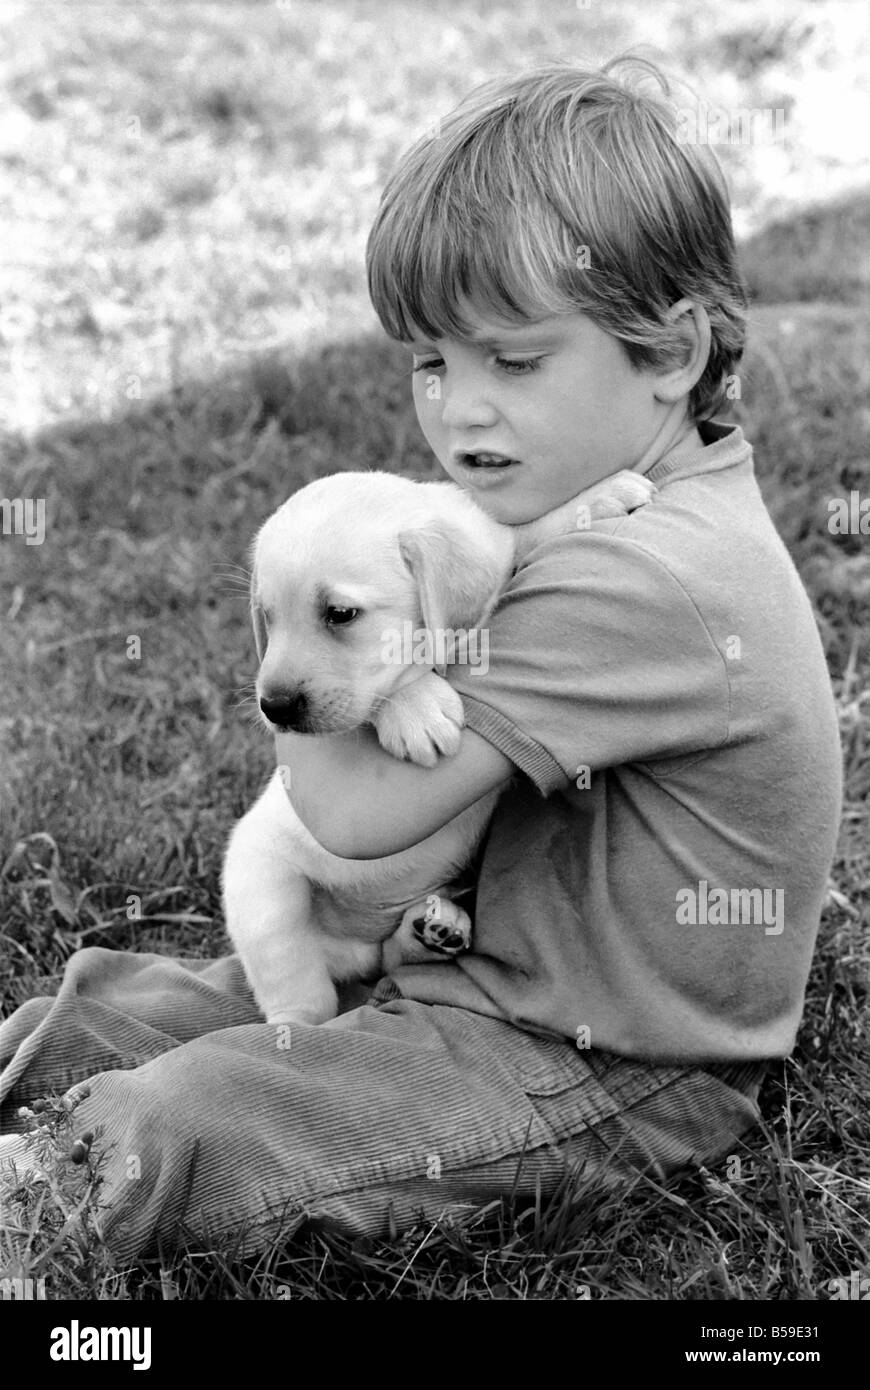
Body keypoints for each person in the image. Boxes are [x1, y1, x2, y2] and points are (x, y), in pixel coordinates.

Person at [0, 56, 842, 1263]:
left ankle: (34, 1205)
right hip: (473, 969)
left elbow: (340, 807)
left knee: (191, 1113)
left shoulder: (639, 577)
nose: (460, 414)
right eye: (434, 363)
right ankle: (60, 1070)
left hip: (603, 1070)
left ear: (669, 352)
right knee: (143, 1011)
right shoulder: (633, 510)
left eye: (515, 360)